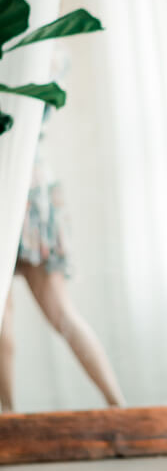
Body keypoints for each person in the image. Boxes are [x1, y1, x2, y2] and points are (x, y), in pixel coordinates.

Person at [0, 48, 126, 412]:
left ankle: (10, 419)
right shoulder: (49, 53)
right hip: (34, 183)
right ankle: (118, 407)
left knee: (15, 315)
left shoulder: (25, 49)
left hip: (16, 185)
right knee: (55, 315)